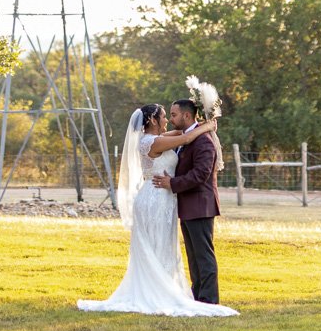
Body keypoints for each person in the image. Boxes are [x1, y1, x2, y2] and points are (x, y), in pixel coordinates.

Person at [77, 103, 238, 317]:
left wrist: (203, 125)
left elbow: (183, 132)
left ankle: (170, 290)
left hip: (163, 198)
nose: (168, 120)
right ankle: (159, 292)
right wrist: (207, 126)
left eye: (172, 115)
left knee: (162, 247)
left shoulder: (156, 137)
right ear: (153, 120)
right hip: (155, 198)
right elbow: (185, 138)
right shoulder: (153, 141)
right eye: (165, 116)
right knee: (157, 246)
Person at [151, 98, 222, 304]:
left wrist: (172, 183)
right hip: (188, 206)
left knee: (203, 256)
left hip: (200, 206)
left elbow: (200, 174)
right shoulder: (188, 137)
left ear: (187, 115)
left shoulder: (203, 141)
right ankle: (198, 297)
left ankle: (209, 300)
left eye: (173, 115)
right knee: (193, 257)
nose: (171, 119)